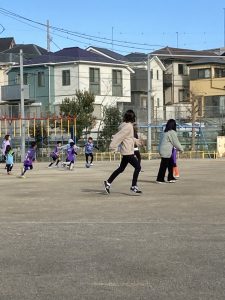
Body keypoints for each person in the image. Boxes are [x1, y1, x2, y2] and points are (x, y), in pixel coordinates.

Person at [104, 109, 142, 194]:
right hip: (128, 152)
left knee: (121, 169)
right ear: (132, 117)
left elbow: (129, 138)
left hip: (127, 151)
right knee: (138, 167)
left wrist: (137, 141)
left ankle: (108, 182)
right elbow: (119, 136)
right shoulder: (128, 126)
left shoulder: (127, 126)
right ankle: (133, 186)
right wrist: (113, 147)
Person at [156, 119, 183, 184]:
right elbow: (175, 142)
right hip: (166, 151)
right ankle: (160, 179)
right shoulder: (172, 132)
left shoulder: (165, 132)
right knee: (163, 165)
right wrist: (181, 149)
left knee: (170, 164)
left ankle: (170, 177)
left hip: (163, 150)